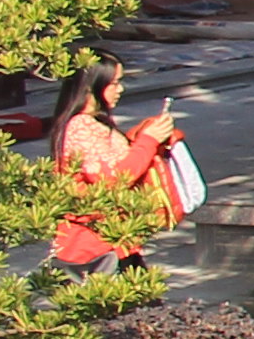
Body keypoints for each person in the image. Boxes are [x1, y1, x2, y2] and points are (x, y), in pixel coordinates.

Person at [47, 59, 182, 266]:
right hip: (94, 244)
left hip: (111, 238)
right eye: (115, 82)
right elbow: (111, 179)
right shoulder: (81, 126)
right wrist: (148, 140)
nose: (120, 89)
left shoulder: (93, 122)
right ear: (93, 85)